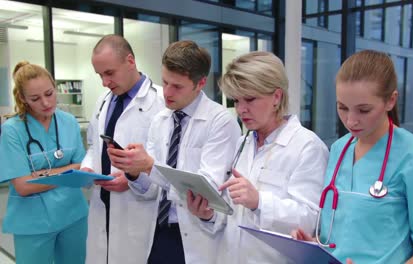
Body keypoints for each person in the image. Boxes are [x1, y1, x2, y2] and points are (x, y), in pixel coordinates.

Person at [292, 50, 413, 263]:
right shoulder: (339, 149)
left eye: (364, 110)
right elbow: (349, 235)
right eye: (342, 108)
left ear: (390, 101)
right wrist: (316, 244)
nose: (351, 121)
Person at [188, 51, 329, 263]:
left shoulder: (307, 147)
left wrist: (260, 202)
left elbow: (312, 221)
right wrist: (208, 214)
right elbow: (234, 214)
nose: (241, 109)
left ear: (277, 97)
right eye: (236, 101)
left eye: (250, 99)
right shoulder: (244, 142)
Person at [107, 40, 240, 264]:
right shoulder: (161, 120)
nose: (167, 92)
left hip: (197, 236)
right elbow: (149, 192)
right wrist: (134, 172)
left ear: (200, 84)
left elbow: (205, 190)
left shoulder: (221, 122)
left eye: (177, 86)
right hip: (159, 234)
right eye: (165, 82)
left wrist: (149, 165)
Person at [80, 34, 165, 264]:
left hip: (139, 207)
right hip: (102, 204)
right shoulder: (103, 101)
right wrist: (88, 168)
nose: (104, 82)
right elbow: (93, 146)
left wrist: (130, 179)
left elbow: (166, 163)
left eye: (109, 73)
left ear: (130, 61)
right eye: (100, 75)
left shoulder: (160, 103)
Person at [0, 61, 88, 264]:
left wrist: (38, 175)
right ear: (22, 98)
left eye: (49, 93)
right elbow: (22, 186)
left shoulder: (68, 121)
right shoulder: (13, 130)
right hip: (32, 222)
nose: (46, 103)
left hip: (73, 216)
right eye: (35, 98)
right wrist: (68, 171)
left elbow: (81, 169)